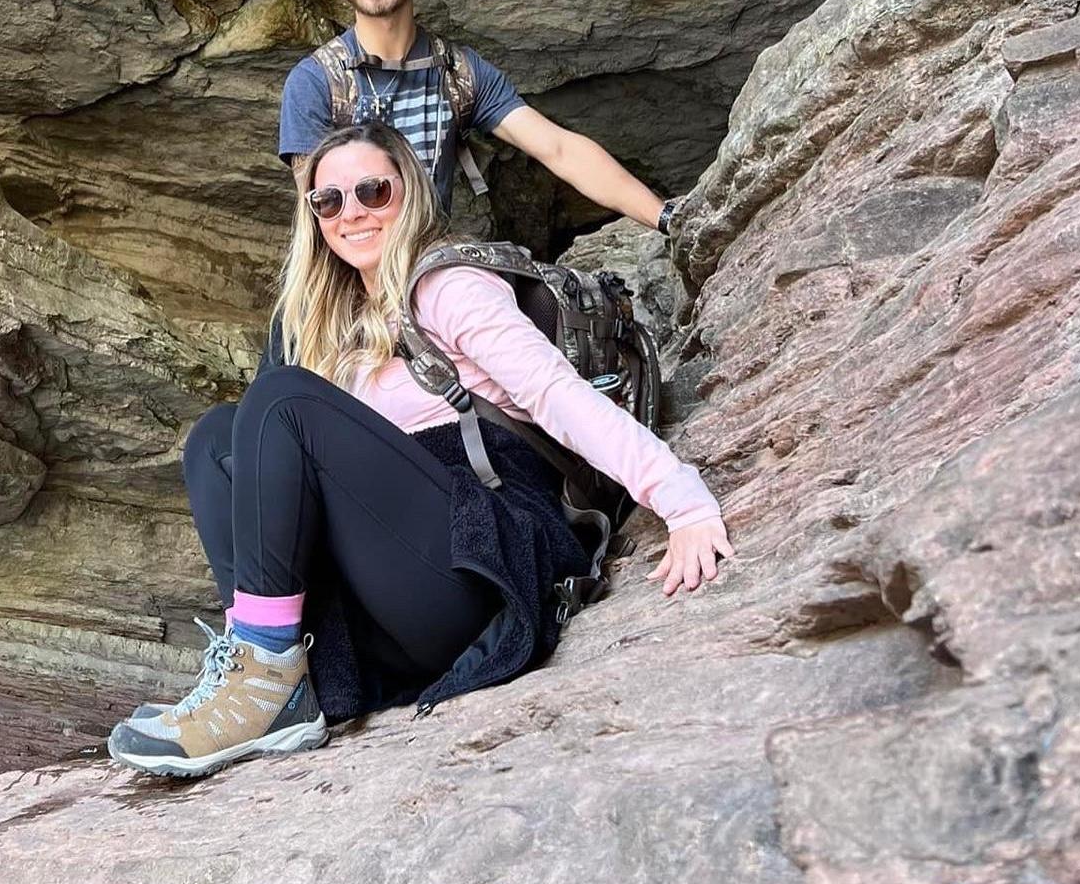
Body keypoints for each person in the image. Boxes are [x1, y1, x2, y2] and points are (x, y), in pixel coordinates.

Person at [108, 123, 731, 780]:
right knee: (216, 437)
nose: (352, 212)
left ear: (410, 192)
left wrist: (682, 500)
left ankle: (262, 680)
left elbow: (557, 395)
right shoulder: (335, 325)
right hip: (389, 606)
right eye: (329, 201)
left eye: (372, 191)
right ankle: (264, 675)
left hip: (479, 566)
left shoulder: (449, 287)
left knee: (282, 400)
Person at [279, 0, 682, 237]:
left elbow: (559, 149)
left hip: (429, 269)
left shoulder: (458, 72)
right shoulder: (316, 82)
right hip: (350, 278)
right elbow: (321, 217)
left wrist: (667, 218)